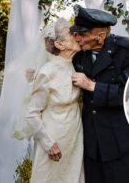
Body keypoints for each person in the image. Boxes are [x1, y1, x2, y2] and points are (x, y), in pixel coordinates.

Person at [70, 5, 129, 183]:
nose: (76, 38)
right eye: (75, 33)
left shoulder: (128, 50)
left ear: (100, 36)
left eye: (82, 34)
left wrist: (93, 86)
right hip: (91, 143)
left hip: (119, 141)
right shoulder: (78, 55)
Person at [25, 18, 84, 182]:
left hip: (74, 137)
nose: (77, 35)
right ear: (60, 44)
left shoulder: (74, 65)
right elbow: (32, 113)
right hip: (54, 140)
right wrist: (48, 143)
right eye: (72, 33)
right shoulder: (47, 72)